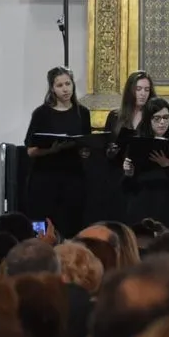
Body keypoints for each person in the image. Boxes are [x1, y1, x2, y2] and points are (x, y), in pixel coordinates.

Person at [23, 66, 92, 237]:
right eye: (60, 85)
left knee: (71, 226)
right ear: (52, 88)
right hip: (44, 180)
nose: (65, 89)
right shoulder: (41, 113)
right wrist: (51, 150)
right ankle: (40, 256)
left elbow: (86, 143)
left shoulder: (82, 113)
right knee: (40, 227)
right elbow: (31, 151)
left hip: (72, 178)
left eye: (68, 84)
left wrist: (86, 151)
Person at [122, 97, 169, 231]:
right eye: (156, 118)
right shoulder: (137, 143)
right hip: (143, 203)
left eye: (166, 117)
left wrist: (167, 166)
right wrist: (128, 173)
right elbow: (126, 188)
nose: (162, 122)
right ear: (148, 120)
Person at [101, 70, 156, 222]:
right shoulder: (115, 117)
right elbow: (105, 147)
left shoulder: (154, 117)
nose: (143, 94)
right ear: (130, 91)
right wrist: (111, 150)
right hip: (119, 178)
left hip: (144, 179)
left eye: (146, 89)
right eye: (138, 89)